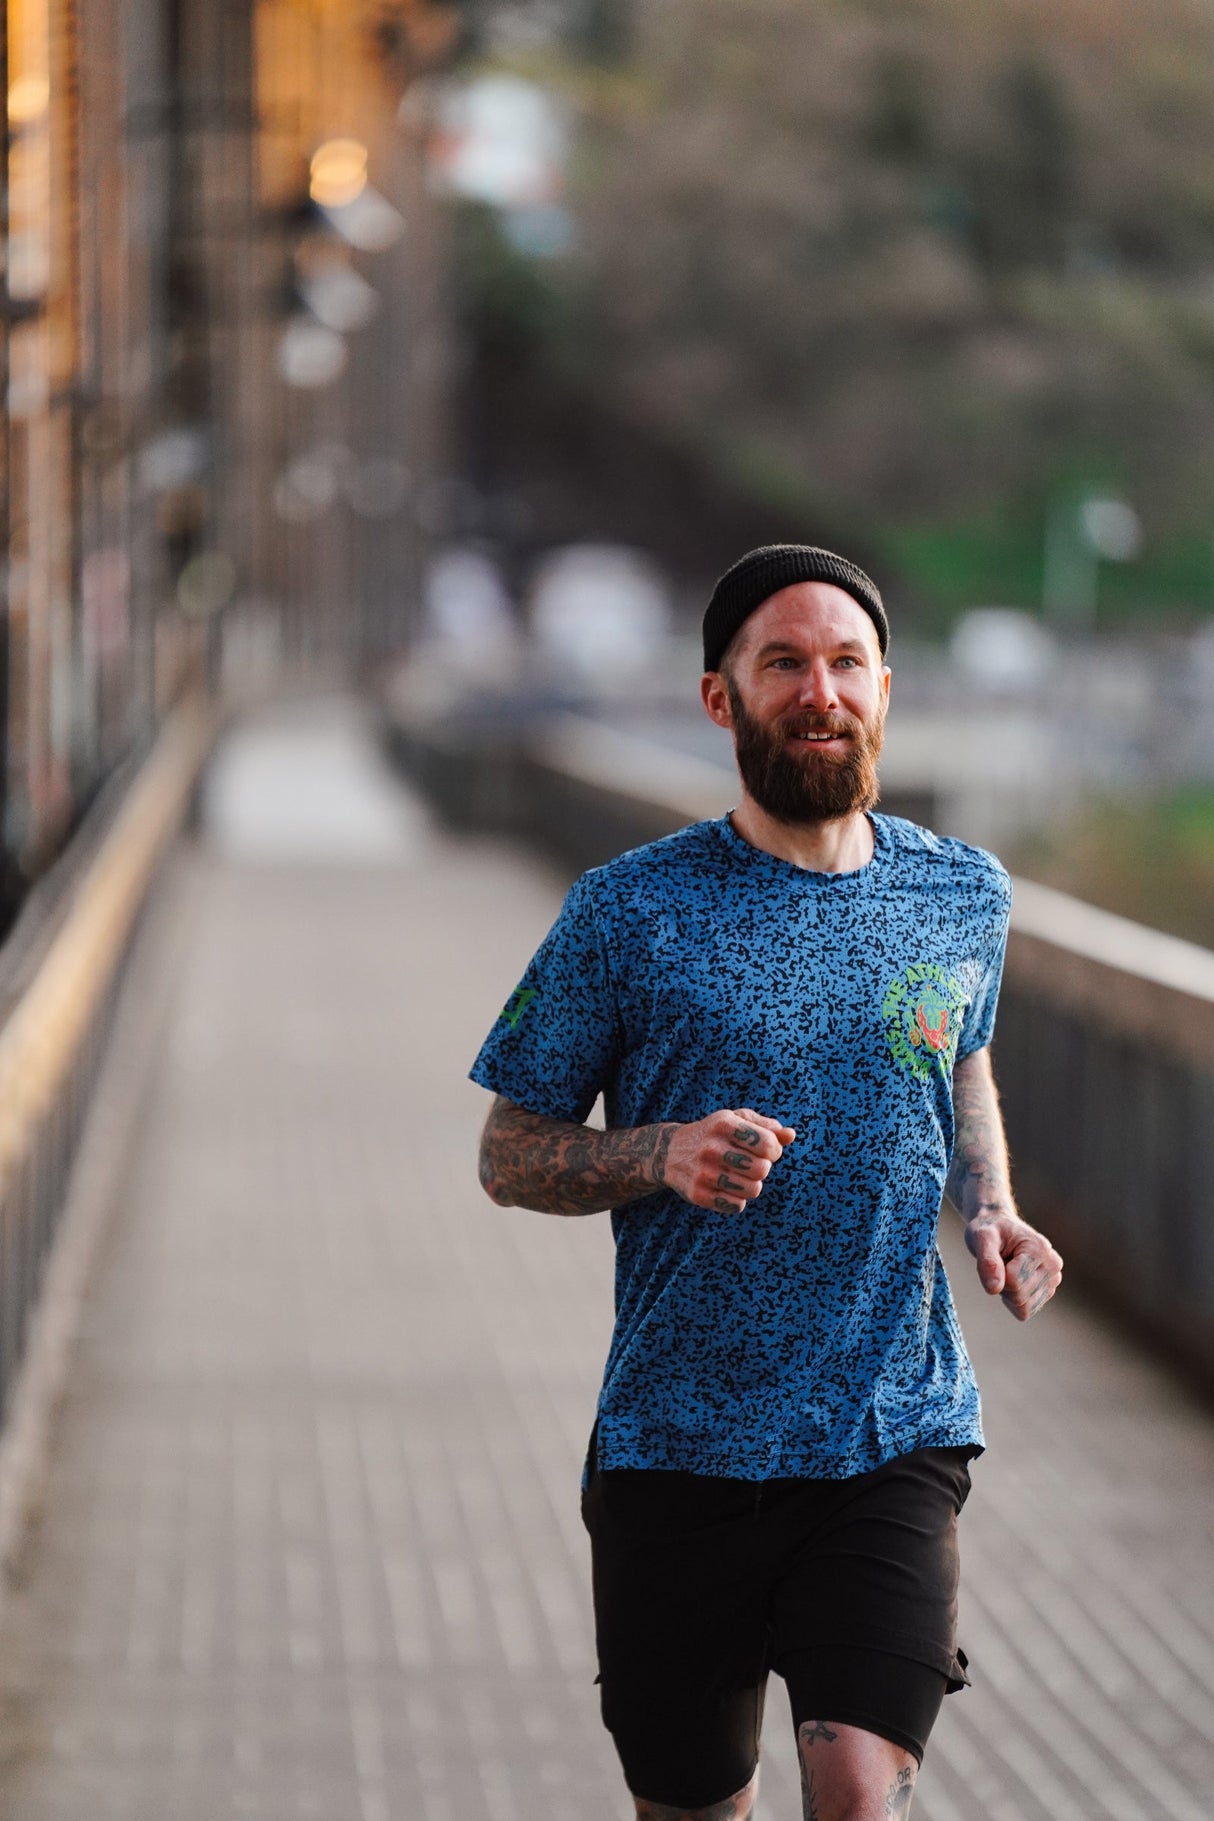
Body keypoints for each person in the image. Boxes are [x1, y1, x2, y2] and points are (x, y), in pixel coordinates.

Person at [470, 543, 1063, 1821]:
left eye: (845, 663)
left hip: (889, 1426)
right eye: (782, 663)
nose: (818, 691)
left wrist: (990, 1206)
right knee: (694, 1805)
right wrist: (657, 1153)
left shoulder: (961, 892)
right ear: (719, 696)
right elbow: (506, 1152)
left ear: (884, 689)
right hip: (678, 1443)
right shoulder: (624, 912)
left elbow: (958, 1056)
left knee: (855, 1790)